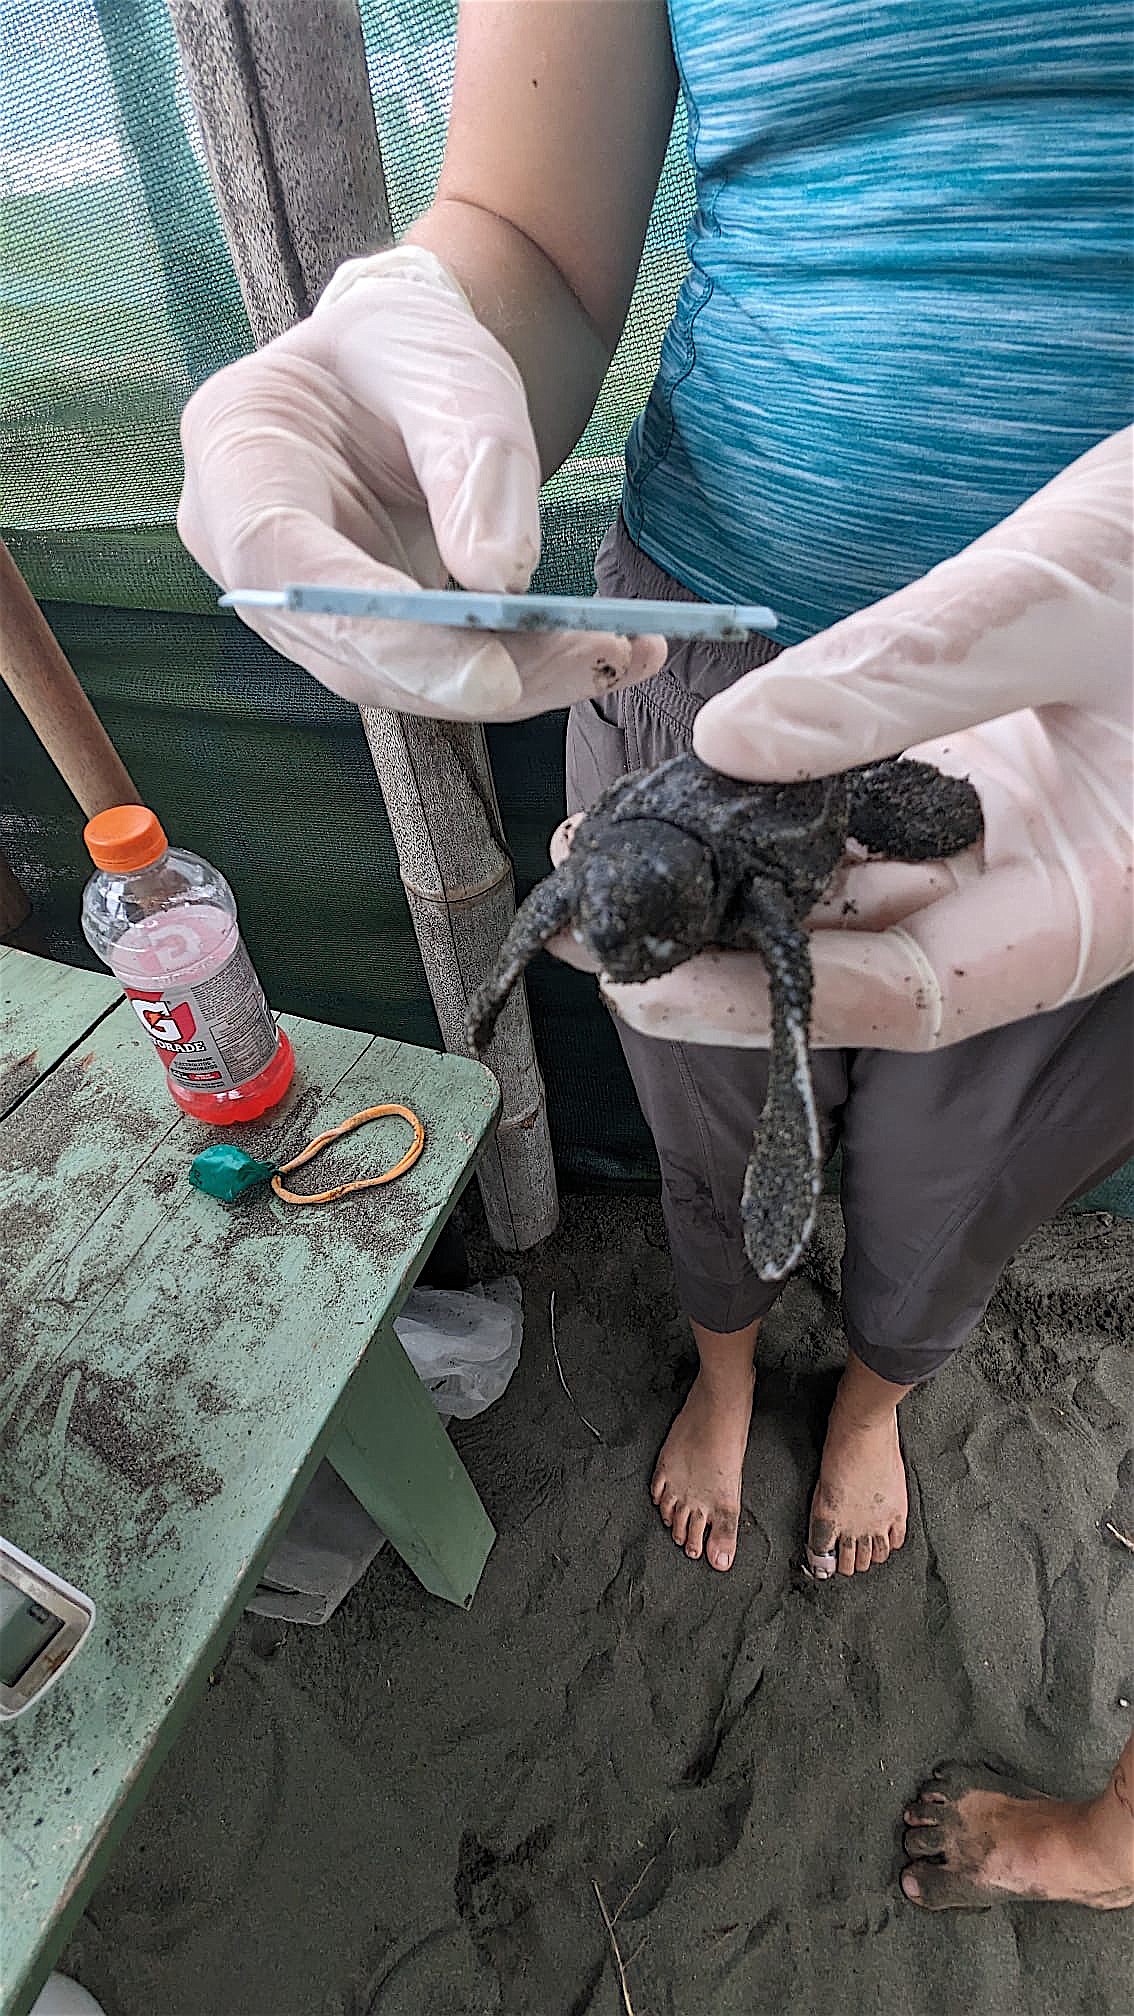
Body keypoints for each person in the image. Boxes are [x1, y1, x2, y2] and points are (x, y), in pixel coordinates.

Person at [177, 0, 1133, 1584]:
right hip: (701, 676)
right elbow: (528, 234)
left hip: (1095, 761)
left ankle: (873, 1397)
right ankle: (728, 1365)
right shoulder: (623, 883)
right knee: (713, 1114)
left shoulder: (696, 884)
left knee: (971, 1158)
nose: (576, 930)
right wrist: (401, 354)